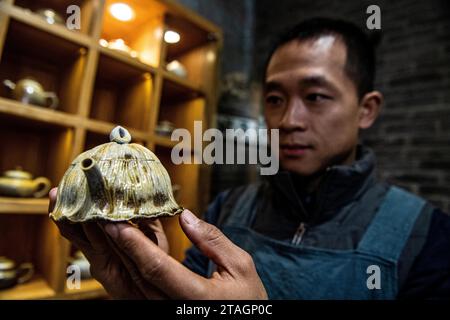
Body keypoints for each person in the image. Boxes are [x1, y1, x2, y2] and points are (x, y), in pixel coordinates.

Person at [49, 18, 450, 300]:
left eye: (316, 97)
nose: (288, 120)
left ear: (366, 109)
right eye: (275, 100)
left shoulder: (427, 235)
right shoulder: (228, 208)